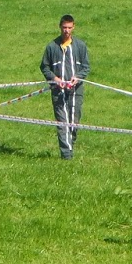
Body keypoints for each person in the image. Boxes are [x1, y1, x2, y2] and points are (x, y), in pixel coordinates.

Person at [40, 14, 90, 159]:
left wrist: (77, 77)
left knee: (74, 123)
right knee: (63, 123)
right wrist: (55, 79)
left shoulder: (80, 46)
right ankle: (67, 156)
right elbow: (44, 67)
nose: (66, 31)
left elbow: (86, 67)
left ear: (73, 27)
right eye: (64, 28)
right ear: (60, 27)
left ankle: (70, 146)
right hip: (58, 91)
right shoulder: (51, 47)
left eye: (69, 28)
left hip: (76, 91)